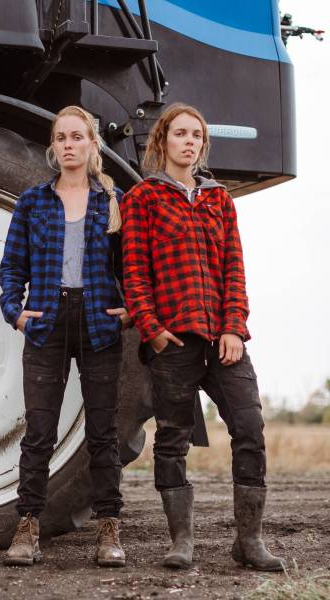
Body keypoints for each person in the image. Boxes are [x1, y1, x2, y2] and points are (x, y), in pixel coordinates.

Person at [120, 103, 284, 571]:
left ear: (202, 144)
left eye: (197, 135)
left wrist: (234, 326)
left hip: (224, 340)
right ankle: (181, 542)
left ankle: (249, 542)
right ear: (162, 142)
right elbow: (134, 272)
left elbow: (234, 268)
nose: (189, 141)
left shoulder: (219, 199)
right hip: (174, 341)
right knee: (172, 439)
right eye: (180, 134)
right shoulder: (144, 197)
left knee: (250, 428)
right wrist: (152, 332)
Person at [0, 105, 131, 567]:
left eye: (78, 136)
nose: (69, 144)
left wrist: (130, 308)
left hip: (98, 321)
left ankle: (109, 529)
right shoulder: (33, 201)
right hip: (48, 321)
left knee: (103, 432)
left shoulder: (111, 202)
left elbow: (132, 267)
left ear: (93, 143)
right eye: (61, 138)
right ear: (53, 147)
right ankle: (27, 526)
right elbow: (13, 266)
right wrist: (16, 313)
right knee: (39, 431)